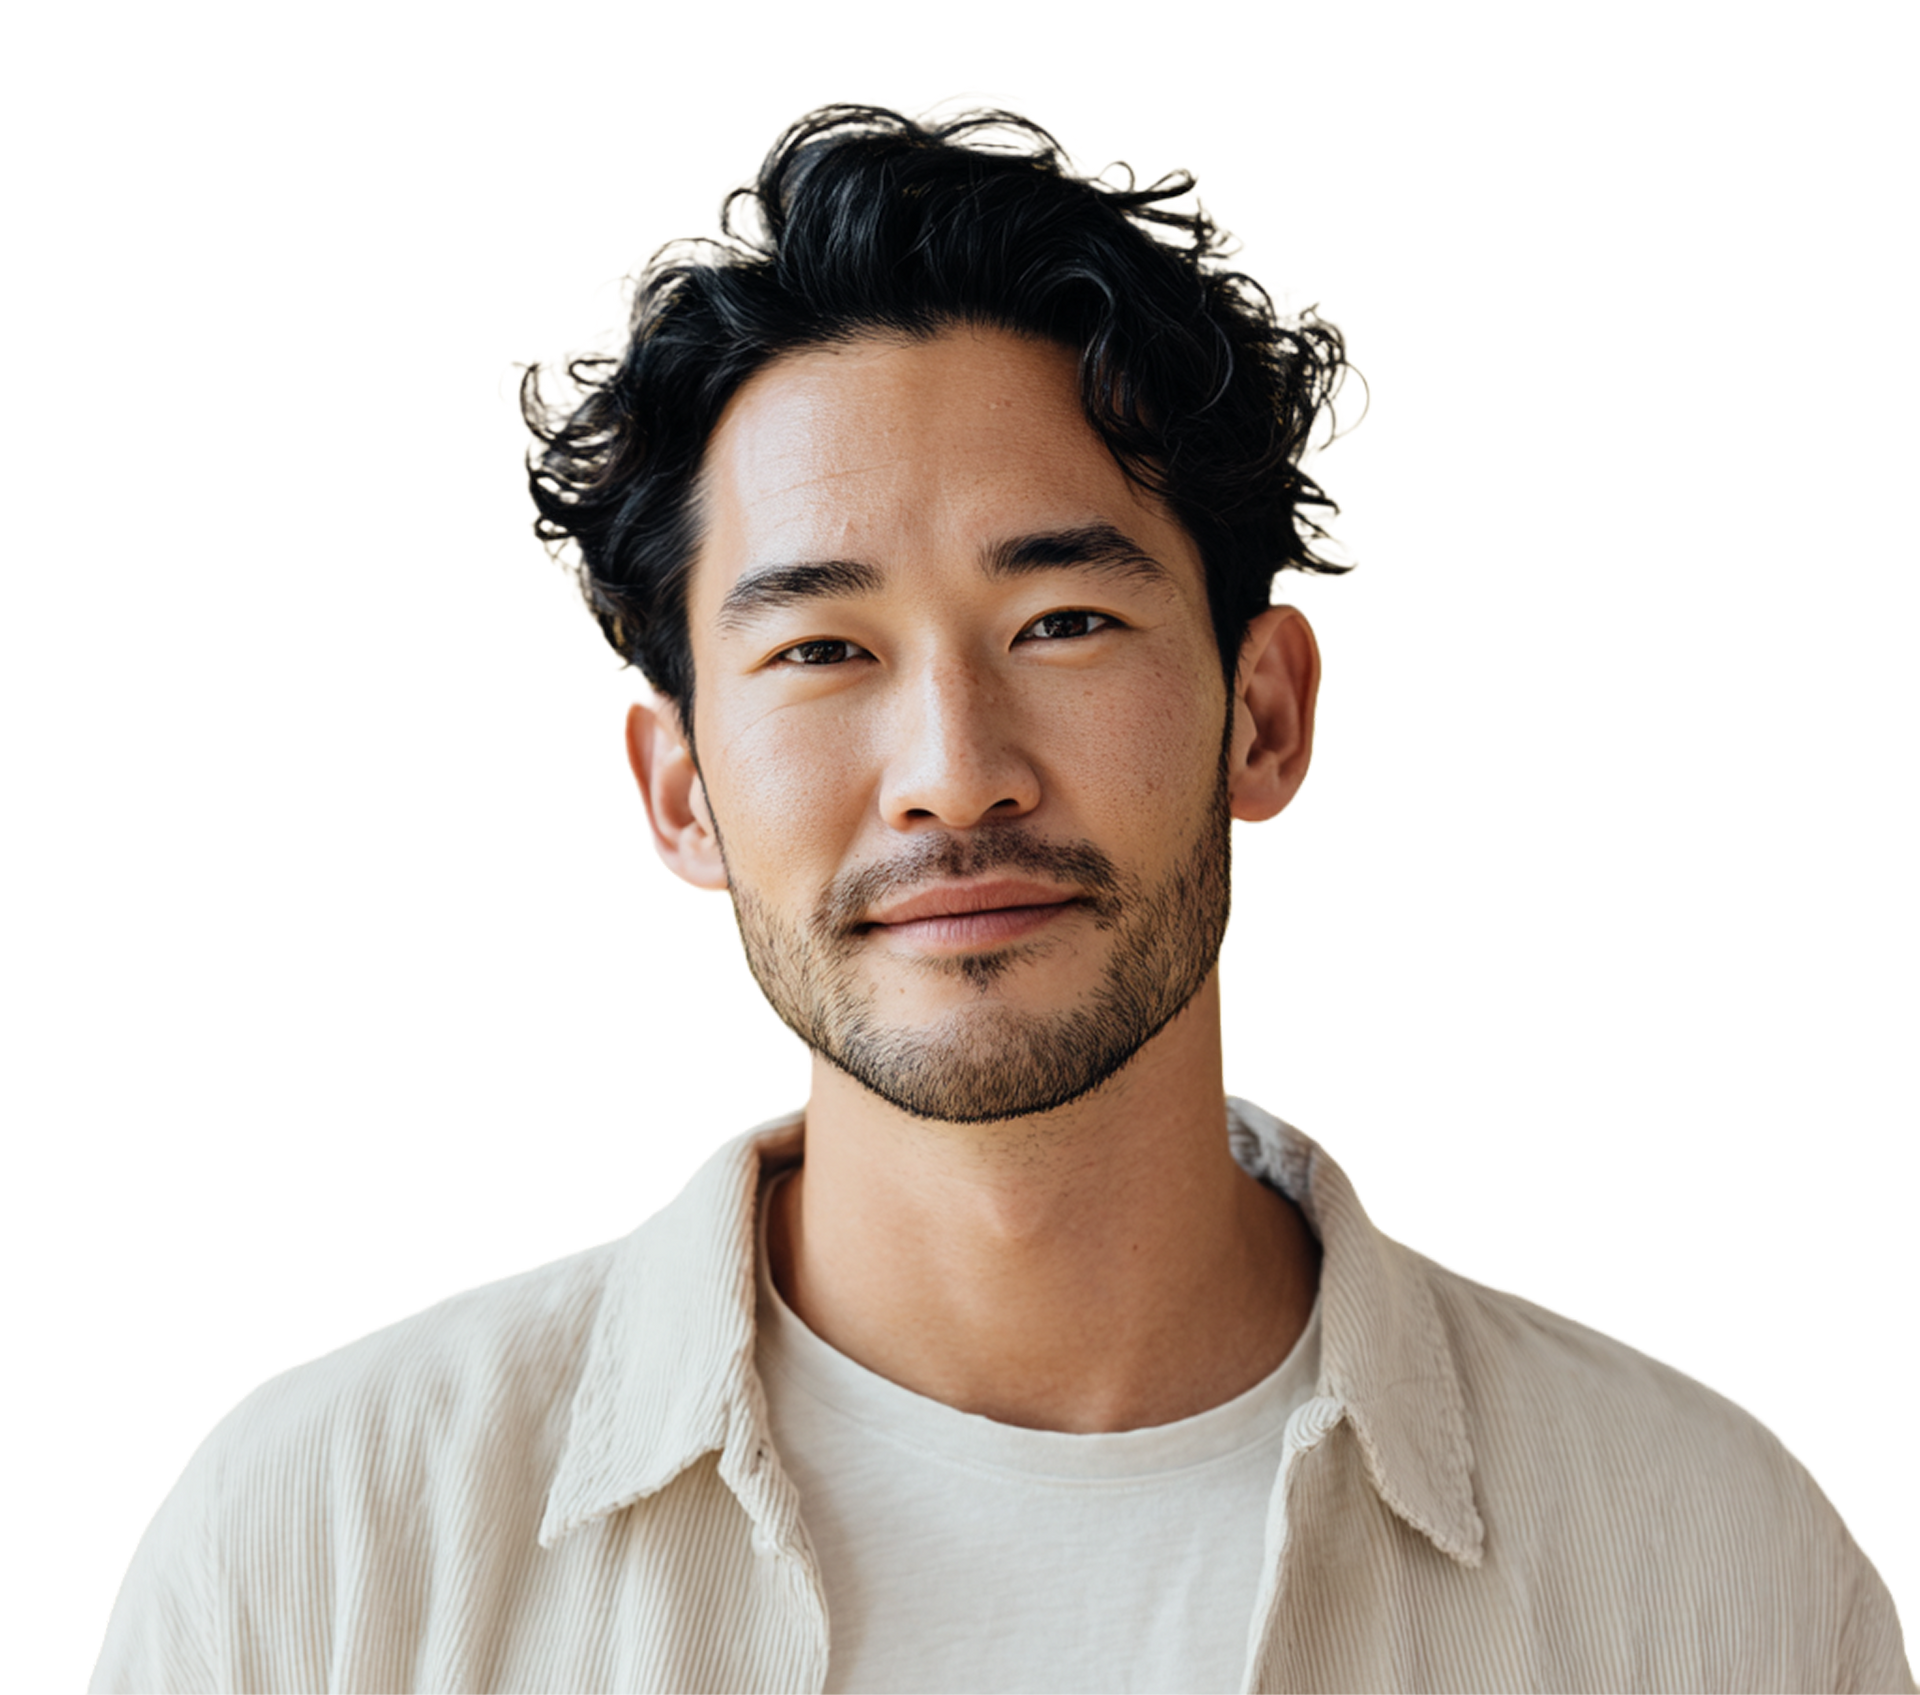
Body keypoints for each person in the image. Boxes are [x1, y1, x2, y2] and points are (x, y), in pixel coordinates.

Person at [90, 87, 1911, 1693]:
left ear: (1267, 715)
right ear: (677, 791)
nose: (955, 770)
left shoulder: (1712, 1562)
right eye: (821, 649)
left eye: (1064, 620)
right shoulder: (321, 1547)